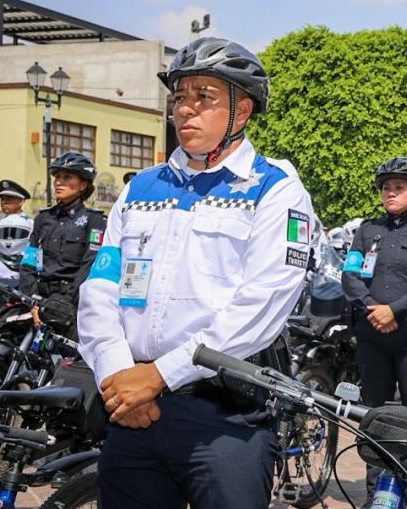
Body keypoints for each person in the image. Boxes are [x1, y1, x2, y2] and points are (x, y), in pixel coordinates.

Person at [77, 37, 315, 509]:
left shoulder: (277, 190)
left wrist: (160, 375)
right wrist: (120, 375)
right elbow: (101, 288)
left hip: (222, 421)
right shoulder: (140, 187)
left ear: (241, 111)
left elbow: (260, 307)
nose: (186, 110)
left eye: (204, 97)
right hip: (131, 409)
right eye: (179, 98)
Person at [342, 157, 407, 499]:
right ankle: (377, 493)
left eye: (399, 188)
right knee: (374, 415)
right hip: (373, 335)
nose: (391, 193)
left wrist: (395, 311)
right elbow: (350, 275)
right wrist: (374, 310)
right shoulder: (367, 230)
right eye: (387, 188)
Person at [18, 153, 106, 322]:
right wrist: (32, 301)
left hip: (71, 304)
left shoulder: (94, 220)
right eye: (57, 177)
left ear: (83, 185)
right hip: (37, 301)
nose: (59, 182)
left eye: (67, 177)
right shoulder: (43, 218)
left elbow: (89, 266)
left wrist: (60, 305)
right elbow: (28, 261)